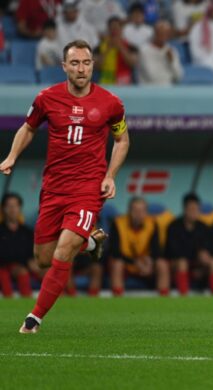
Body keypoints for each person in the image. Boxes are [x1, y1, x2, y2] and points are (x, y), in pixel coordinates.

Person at [0, 39, 130, 334]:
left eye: (86, 63)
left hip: (87, 189)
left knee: (63, 251)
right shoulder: (46, 98)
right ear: (64, 67)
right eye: (74, 63)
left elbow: (122, 140)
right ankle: (92, 242)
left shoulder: (111, 103)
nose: (81, 69)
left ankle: (33, 320)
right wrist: (11, 156)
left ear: (92, 65)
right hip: (54, 188)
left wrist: (110, 175)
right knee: (43, 259)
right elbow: (29, 127)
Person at [163, 193, 209, 295]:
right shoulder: (174, 226)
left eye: (196, 209)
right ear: (184, 209)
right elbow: (173, 252)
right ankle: (183, 296)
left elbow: (207, 249)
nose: (194, 212)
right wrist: (196, 256)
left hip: (198, 266)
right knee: (182, 262)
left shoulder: (203, 227)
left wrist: (202, 263)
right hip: (177, 265)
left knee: (210, 260)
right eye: (191, 209)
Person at [0, 193, 34, 298]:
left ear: (20, 208)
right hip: (3, 267)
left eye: (15, 206)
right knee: (4, 275)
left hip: (24, 267)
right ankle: (8, 306)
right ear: (3, 209)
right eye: (9, 206)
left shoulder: (27, 232)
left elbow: (31, 254)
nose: (12, 209)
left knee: (26, 271)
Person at [137, 19, 184, 85]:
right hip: (149, 91)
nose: (163, 37)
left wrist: (171, 62)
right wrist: (170, 76)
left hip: (168, 90)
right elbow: (152, 77)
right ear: (155, 33)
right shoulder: (144, 51)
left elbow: (179, 76)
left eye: (166, 34)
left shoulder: (171, 51)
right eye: (160, 33)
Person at [94, 16, 138, 85]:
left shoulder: (131, 47)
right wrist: (107, 50)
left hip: (124, 86)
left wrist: (121, 47)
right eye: (111, 29)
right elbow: (96, 67)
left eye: (116, 28)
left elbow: (132, 64)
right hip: (106, 85)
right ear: (108, 29)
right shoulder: (99, 48)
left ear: (121, 29)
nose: (114, 31)